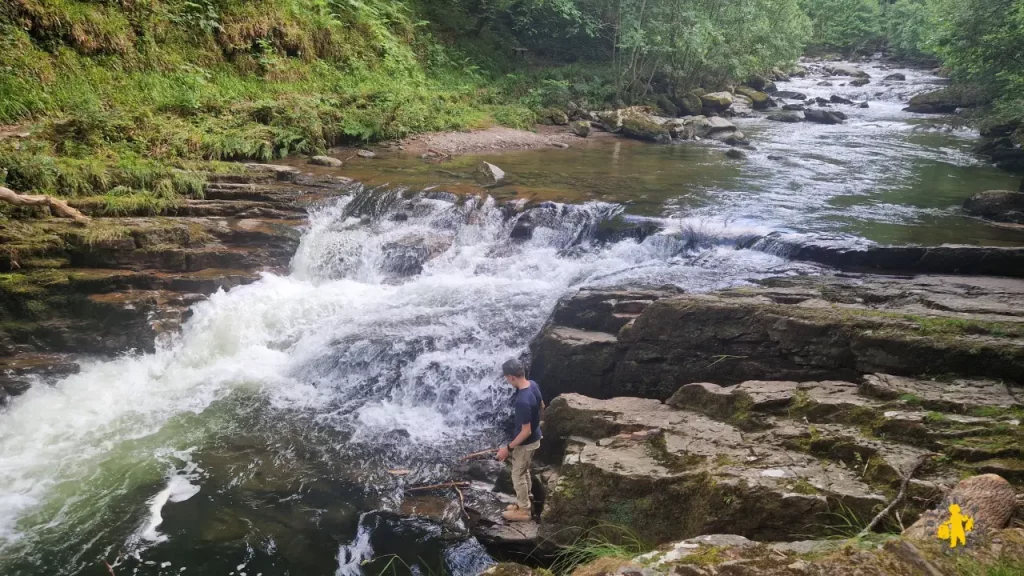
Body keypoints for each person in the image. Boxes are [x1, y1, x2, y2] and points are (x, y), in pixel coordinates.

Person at [496, 358, 544, 522]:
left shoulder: (522, 401)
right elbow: (542, 406)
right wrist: (538, 424)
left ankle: (524, 511)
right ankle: (526, 500)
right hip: (535, 438)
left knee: (517, 475)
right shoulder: (533, 385)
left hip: (526, 443)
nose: (506, 381)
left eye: (506, 378)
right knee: (524, 472)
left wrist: (507, 449)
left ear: (512, 377)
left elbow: (525, 432)